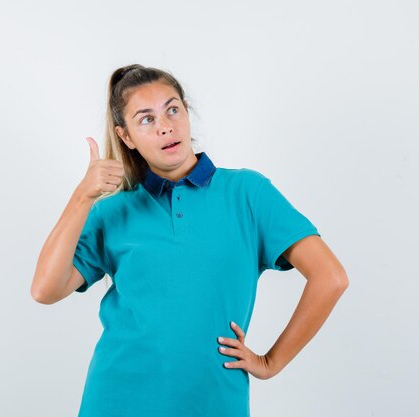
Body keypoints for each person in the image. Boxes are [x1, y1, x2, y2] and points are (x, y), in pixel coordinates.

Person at [30, 64, 349, 417]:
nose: (166, 125)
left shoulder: (247, 193)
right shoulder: (113, 211)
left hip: (214, 403)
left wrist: (271, 362)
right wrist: (82, 197)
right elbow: (45, 290)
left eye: (172, 109)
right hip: (116, 399)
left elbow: (330, 278)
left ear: (186, 112)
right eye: (146, 119)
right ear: (126, 137)